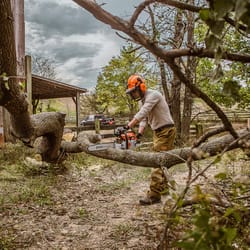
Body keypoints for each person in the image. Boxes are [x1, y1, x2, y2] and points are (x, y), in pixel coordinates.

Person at [125, 74, 176, 205]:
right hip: (157, 132)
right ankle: (163, 191)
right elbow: (144, 119)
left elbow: (143, 112)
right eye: (132, 93)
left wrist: (128, 126)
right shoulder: (143, 101)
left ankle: (154, 195)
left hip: (166, 130)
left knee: (157, 162)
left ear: (141, 87)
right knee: (162, 162)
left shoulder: (153, 95)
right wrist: (139, 134)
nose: (134, 95)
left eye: (134, 92)